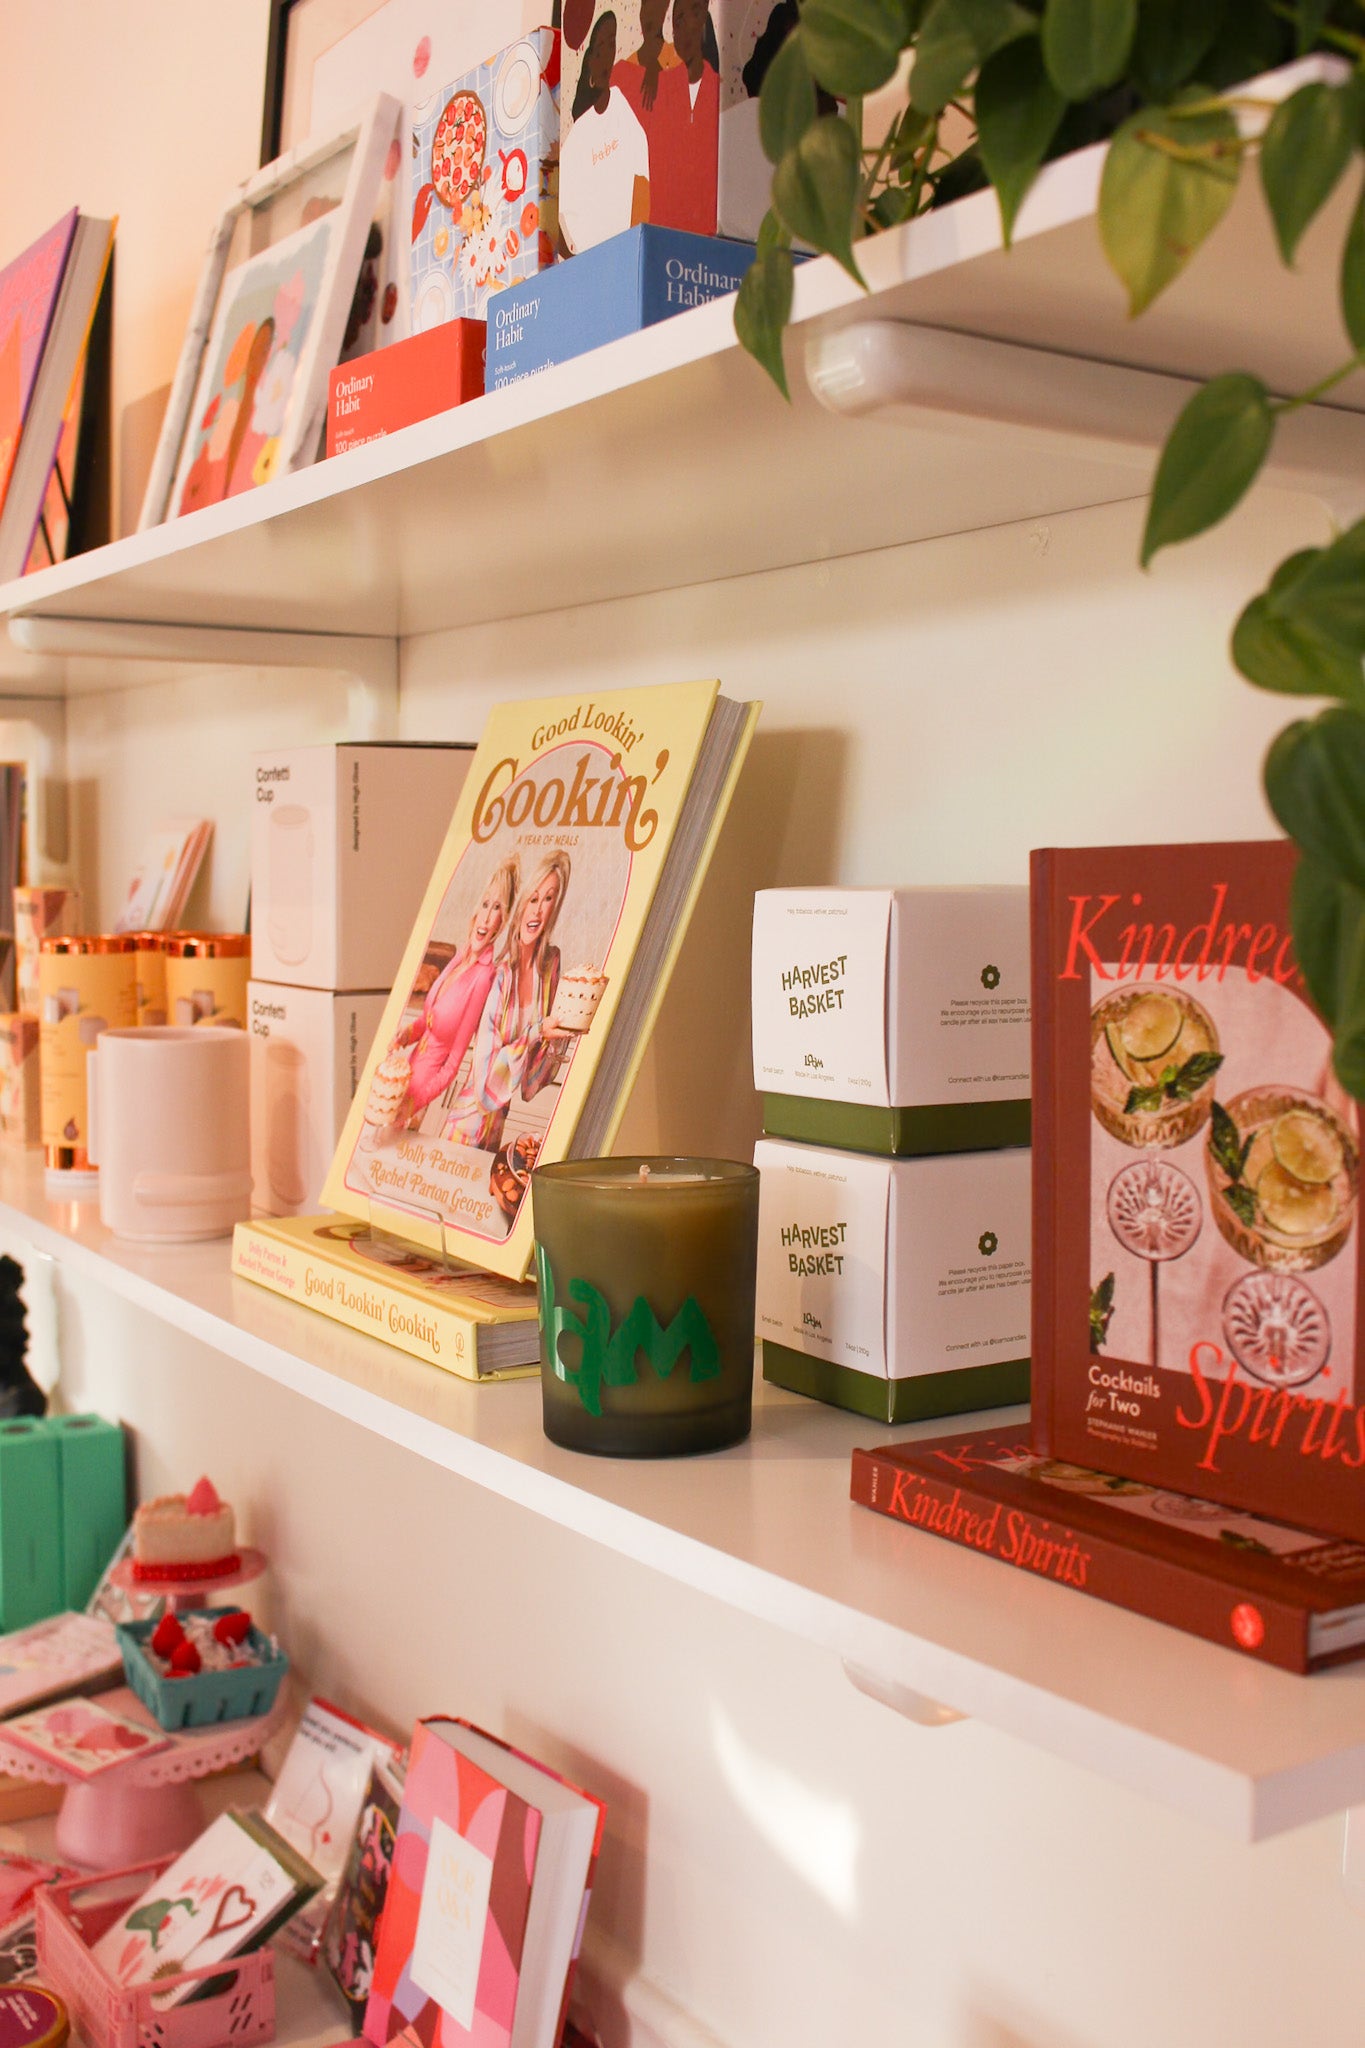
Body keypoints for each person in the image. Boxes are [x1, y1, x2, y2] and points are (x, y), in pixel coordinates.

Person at [444, 850, 572, 1152]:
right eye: (533, 899)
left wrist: (560, 1035)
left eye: (548, 899)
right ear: (521, 904)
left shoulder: (549, 967)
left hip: (497, 1125)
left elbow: (531, 1082)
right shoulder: (500, 976)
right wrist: (539, 1032)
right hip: (466, 1123)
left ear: (556, 907)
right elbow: (486, 1077)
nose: (537, 911)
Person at [391, 855, 519, 1126]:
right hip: (403, 1074)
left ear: (502, 920)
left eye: (496, 908)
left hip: (419, 1095)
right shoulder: (460, 957)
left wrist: (414, 1105)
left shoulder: (483, 977)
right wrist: (405, 1035)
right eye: (485, 904)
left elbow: (452, 1065)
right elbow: (427, 1022)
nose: (486, 917)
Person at [558, 11, 650, 254]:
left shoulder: (622, 105)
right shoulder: (578, 135)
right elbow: (557, 204)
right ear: (589, 60)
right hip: (593, 261)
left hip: (629, 251)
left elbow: (643, 178)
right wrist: (572, 258)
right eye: (600, 48)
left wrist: (636, 242)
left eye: (611, 45)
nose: (606, 56)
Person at [639, 0, 719, 234]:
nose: (684, 29)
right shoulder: (659, 88)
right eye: (678, 22)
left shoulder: (719, 88)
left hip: (714, 236)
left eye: (693, 14)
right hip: (663, 235)